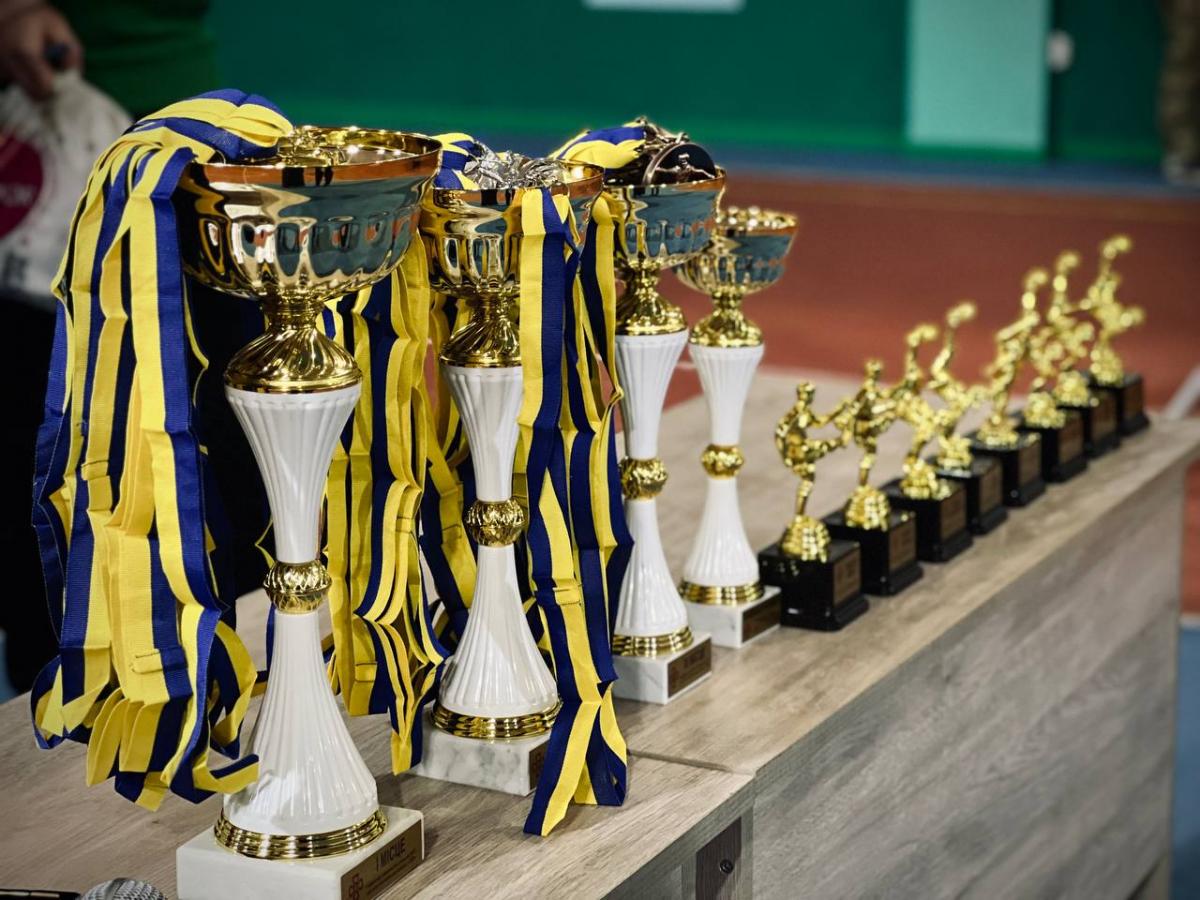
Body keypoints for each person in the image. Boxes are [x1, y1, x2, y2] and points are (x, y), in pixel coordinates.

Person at [0, 0, 217, 692]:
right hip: (43, 137)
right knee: (48, 500)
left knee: (200, 481)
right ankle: (58, 706)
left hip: (182, 147)